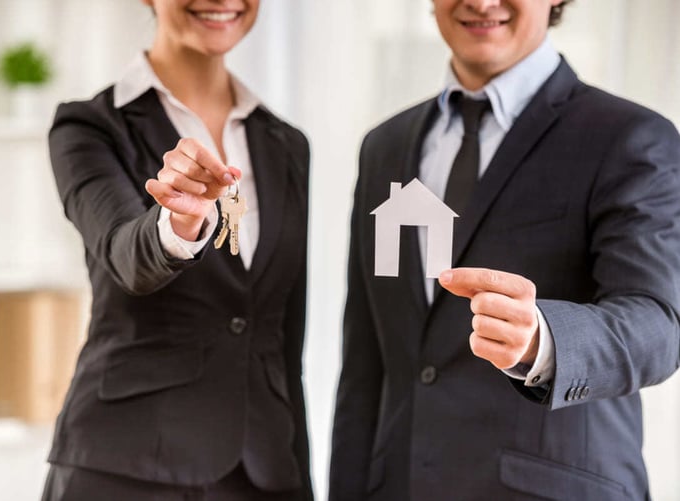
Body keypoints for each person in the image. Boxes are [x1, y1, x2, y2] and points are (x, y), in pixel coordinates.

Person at [330, 0, 680, 499]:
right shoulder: (384, 146)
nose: (480, 3)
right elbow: (366, 363)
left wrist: (543, 339)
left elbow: (658, 326)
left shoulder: (629, 138)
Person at [41, 1, 312, 499]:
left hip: (261, 474)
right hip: (127, 467)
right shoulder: (90, 128)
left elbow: (281, 337)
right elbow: (124, 252)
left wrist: (298, 475)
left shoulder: (286, 144)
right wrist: (178, 222)